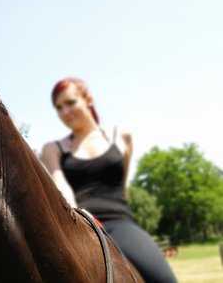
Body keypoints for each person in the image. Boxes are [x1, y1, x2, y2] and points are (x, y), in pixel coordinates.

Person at [40, 77, 177, 283]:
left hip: (120, 224)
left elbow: (123, 184)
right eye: (58, 108)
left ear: (88, 99)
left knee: (165, 280)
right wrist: (77, 216)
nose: (64, 112)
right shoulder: (53, 149)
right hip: (79, 225)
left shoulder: (121, 136)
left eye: (70, 103)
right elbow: (61, 186)